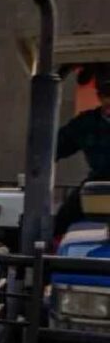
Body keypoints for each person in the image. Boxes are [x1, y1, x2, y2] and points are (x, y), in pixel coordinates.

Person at [54, 74, 110, 238]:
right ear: (100, 97)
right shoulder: (86, 123)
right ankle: (56, 247)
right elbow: (56, 147)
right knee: (64, 218)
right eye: (106, 95)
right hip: (99, 182)